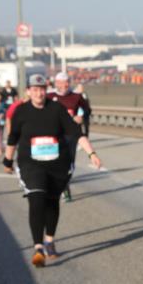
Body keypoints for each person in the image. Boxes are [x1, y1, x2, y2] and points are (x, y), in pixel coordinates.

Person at [4, 74, 102, 267]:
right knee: (36, 197)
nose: (38, 93)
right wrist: (7, 159)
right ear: (28, 92)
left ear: (45, 90)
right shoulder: (21, 111)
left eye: (41, 89)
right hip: (31, 164)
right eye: (34, 89)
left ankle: (49, 240)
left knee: (52, 202)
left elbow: (76, 132)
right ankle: (38, 247)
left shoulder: (56, 109)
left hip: (57, 164)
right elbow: (13, 137)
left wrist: (92, 154)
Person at [48, 72, 91, 202]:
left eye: (67, 81)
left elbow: (87, 109)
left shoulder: (76, 97)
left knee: (70, 165)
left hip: (71, 135)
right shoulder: (50, 96)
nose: (65, 85)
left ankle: (65, 186)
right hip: (54, 135)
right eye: (62, 82)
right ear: (57, 83)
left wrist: (81, 116)